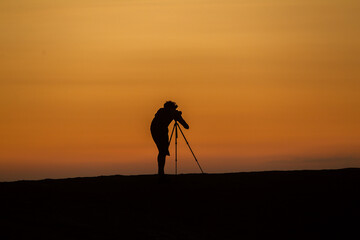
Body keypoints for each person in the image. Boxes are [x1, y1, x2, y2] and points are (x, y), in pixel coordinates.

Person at [151, 101, 189, 176]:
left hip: (154, 130)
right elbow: (186, 126)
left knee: (162, 151)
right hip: (161, 131)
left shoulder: (160, 111)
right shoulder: (173, 113)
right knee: (163, 151)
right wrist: (178, 116)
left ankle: (160, 171)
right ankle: (161, 172)